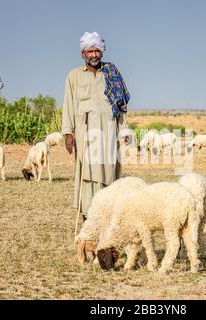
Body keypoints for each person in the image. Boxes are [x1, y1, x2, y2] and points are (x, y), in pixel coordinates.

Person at [61, 32, 131, 220]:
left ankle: (108, 217)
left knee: (109, 173)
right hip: (86, 136)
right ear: (83, 53)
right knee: (88, 175)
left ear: (102, 52)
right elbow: (68, 105)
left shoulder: (112, 73)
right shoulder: (73, 77)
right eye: (89, 51)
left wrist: (124, 129)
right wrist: (68, 133)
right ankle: (89, 218)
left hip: (108, 134)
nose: (94, 54)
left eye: (97, 50)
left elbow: (121, 105)